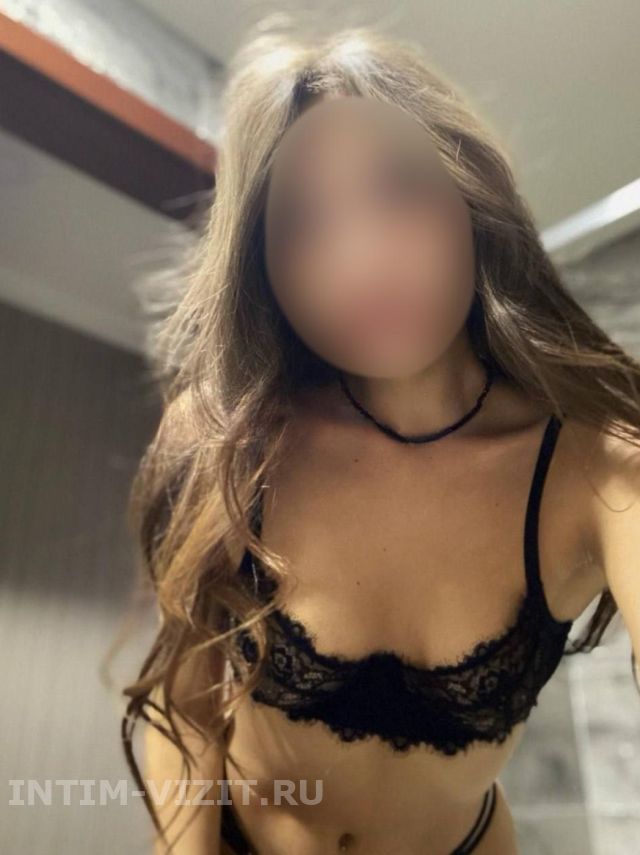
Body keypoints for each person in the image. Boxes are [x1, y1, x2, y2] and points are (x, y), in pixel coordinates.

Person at [121, 23, 640, 855]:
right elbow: (184, 704)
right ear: (262, 264)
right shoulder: (228, 439)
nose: (359, 259)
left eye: (401, 187)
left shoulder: (595, 467)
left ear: (472, 198)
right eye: (300, 221)